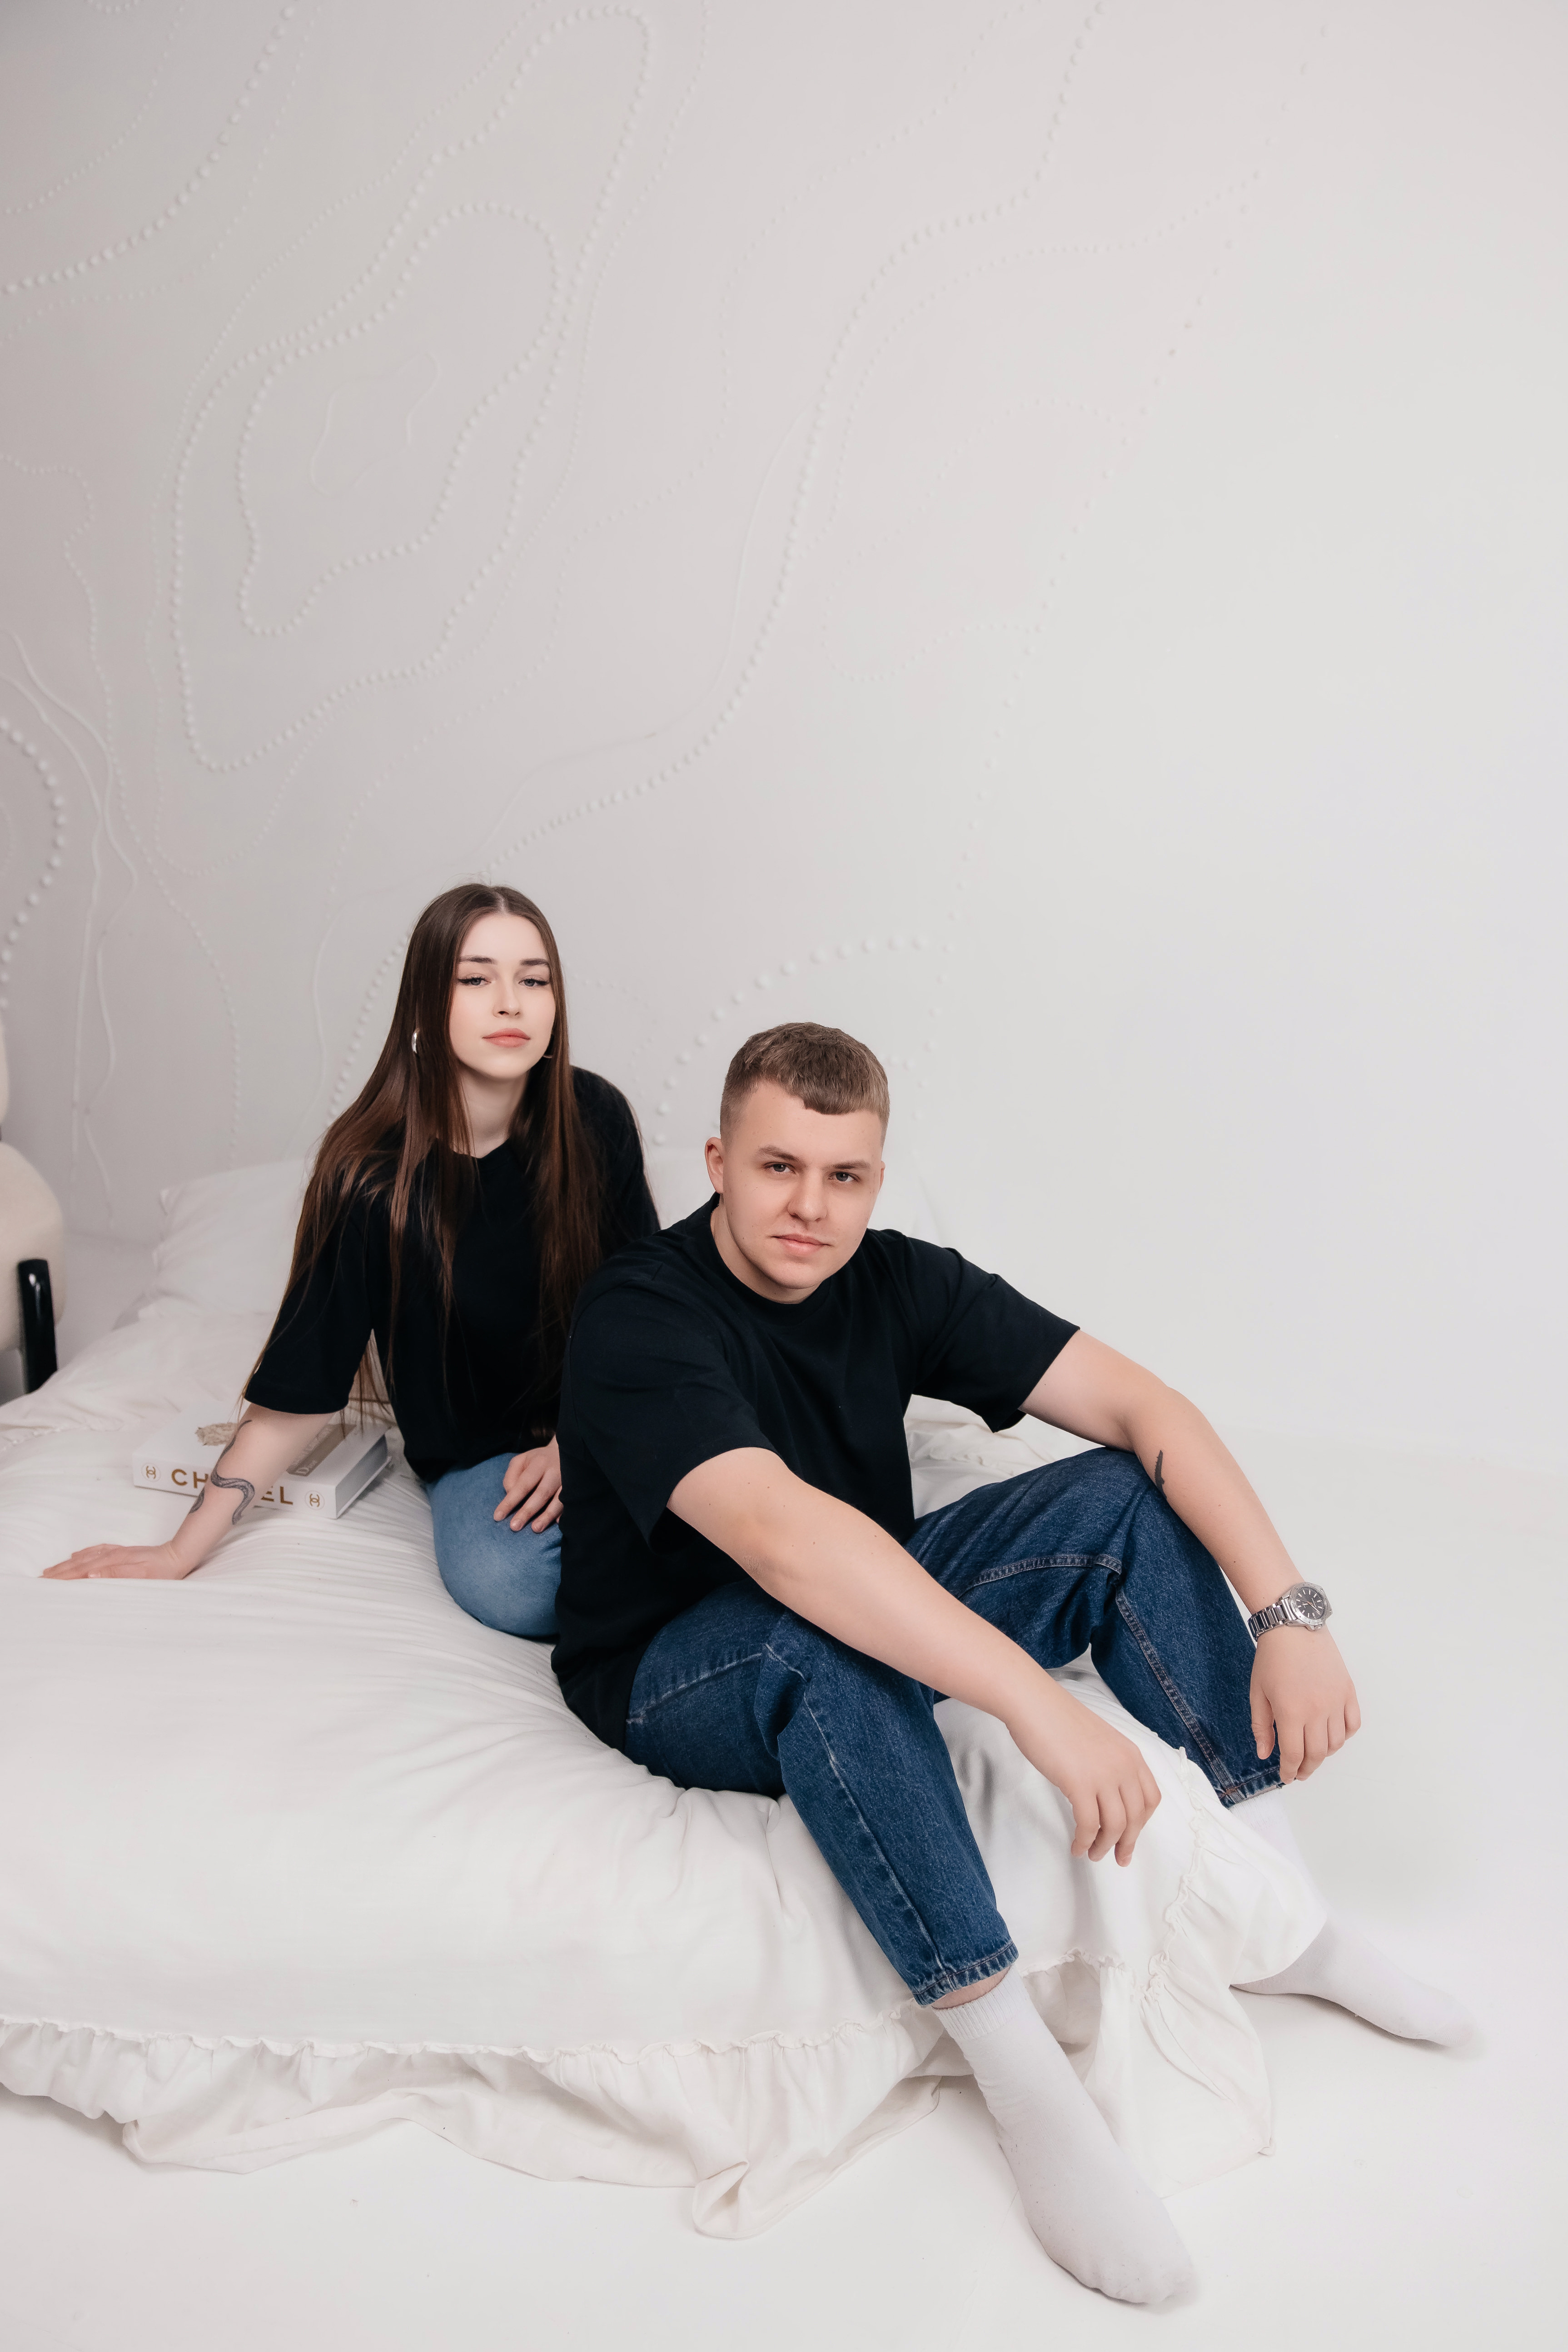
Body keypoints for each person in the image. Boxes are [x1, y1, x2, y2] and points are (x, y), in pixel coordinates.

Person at [552, 1020, 1471, 2307]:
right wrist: (1032, 1701)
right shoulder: (638, 1310)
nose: (810, 1207)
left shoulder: (894, 1278)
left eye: (844, 1176)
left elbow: (1146, 1409)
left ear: (876, 1179)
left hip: (859, 1586)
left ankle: (1286, 1917)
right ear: (716, 1162)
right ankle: (1028, 2086)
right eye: (777, 1168)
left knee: (1122, 1492)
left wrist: (1288, 1614)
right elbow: (784, 1543)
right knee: (825, 1636)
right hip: (673, 1661)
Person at [44, 883, 657, 1633]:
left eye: (534, 980)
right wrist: (180, 1549)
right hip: (482, 1462)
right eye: (476, 979)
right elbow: (301, 1391)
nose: (511, 1003)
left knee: (723, 1473)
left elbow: (646, 1313)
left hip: (614, 1418)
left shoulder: (596, 1117)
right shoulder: (368, 1175)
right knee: (507, 1576)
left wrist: (577, 1442)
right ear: (424, 1004)